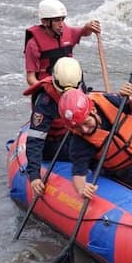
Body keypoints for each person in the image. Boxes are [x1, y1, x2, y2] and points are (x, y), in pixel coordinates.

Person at [26, 57, 86, 198]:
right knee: (80, 153)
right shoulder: (45, 102)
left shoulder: (78, 85)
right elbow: (36, 140)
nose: (66, 96)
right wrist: (34, 175)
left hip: (71, 135)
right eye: (63, 93)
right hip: (52, 144)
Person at [24, 0, 101, 88]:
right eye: (57, 20)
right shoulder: (33, 44)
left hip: (70, 86)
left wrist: (88, 26)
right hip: (47, 87)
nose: (61, 24)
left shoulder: (69, 33)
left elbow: (85, 32)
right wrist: (47, 89)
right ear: (45, 22)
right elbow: (30, 78)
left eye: (62, 19)